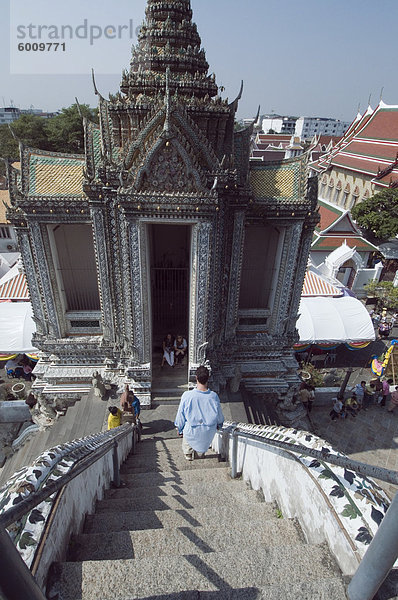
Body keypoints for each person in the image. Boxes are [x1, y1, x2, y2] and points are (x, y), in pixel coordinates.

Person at [174, 365, 224, 461]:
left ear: (196, 377)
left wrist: (179, 429)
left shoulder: (187, 395)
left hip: (190, 432)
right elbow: (219, 417)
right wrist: (219, 425)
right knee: (202, 445)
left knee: (188, 431)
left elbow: (180, 416)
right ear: (208, 378)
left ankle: (189, 453)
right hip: (207, 435)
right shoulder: (213, 396)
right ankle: (200, 452)